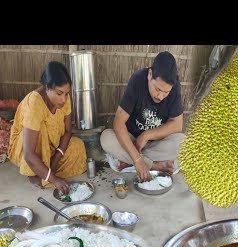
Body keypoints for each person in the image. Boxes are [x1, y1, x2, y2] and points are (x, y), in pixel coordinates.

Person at [100, 51, 185, 181]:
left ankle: (129, 160)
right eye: (157, 89)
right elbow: (118, 122)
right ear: (150, 75)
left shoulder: (174, 87)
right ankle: (153, 164)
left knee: (184, 143)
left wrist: (146, 135)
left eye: (165, 92)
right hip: (131, 140)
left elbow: (177, 125)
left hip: (155, 144)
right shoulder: (137, 80)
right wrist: (137, 158)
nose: (160, 96)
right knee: (106, 138)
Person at [8, 61, 87, 193]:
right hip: (26, 148)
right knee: (42, 130)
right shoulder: (35, 103)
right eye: (59, 93)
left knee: (77, 146)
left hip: (53, 145)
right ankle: (35, 173)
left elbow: (68, 131)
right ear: (47, 87)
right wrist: (55, 180)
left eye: (66, 93)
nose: (63, 99)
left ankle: (46, 171)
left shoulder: (64, 99)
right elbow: (28, 153)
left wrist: (55, 161)